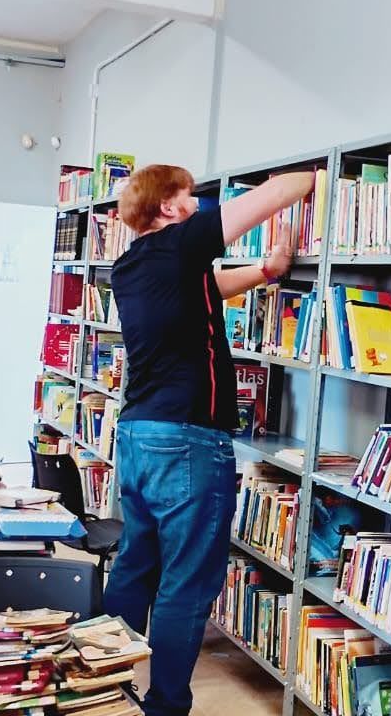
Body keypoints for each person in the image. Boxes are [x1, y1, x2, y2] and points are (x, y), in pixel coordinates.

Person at [104, 164, 315, 716]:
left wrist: (268, 269)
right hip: (187, 441)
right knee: (185, 584)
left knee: (136, 567)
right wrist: (310, 177)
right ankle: (167, 707)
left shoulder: (130, 266)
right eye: (190, 196)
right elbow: (284, 190)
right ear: (170, 209)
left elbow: (209, 287)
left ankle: (102, 690)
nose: (199, 205)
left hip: (138, 435)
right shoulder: (183, 240)